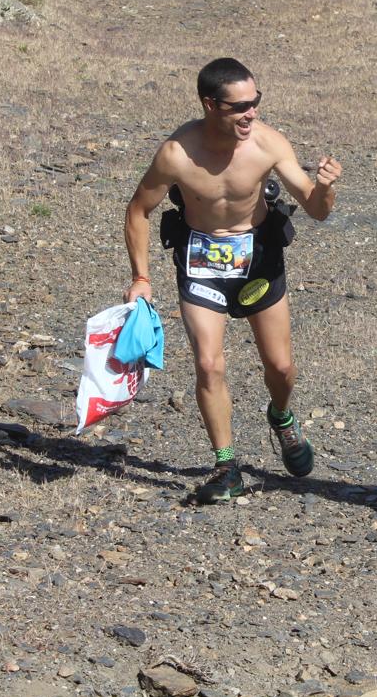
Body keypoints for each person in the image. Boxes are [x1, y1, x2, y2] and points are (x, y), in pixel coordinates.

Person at [124, 58, 342, 504]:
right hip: (201, 262)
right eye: (240, 106)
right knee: (209, 364)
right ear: (210, 105)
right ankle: (227, 468)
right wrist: (141, 277)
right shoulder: (176, 153)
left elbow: (318, 210)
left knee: (280, 367)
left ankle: (281, 416)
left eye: (256, 102)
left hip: (259, 257)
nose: (252, 113)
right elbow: (137, 211)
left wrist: (324, 187)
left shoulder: (268, 143)